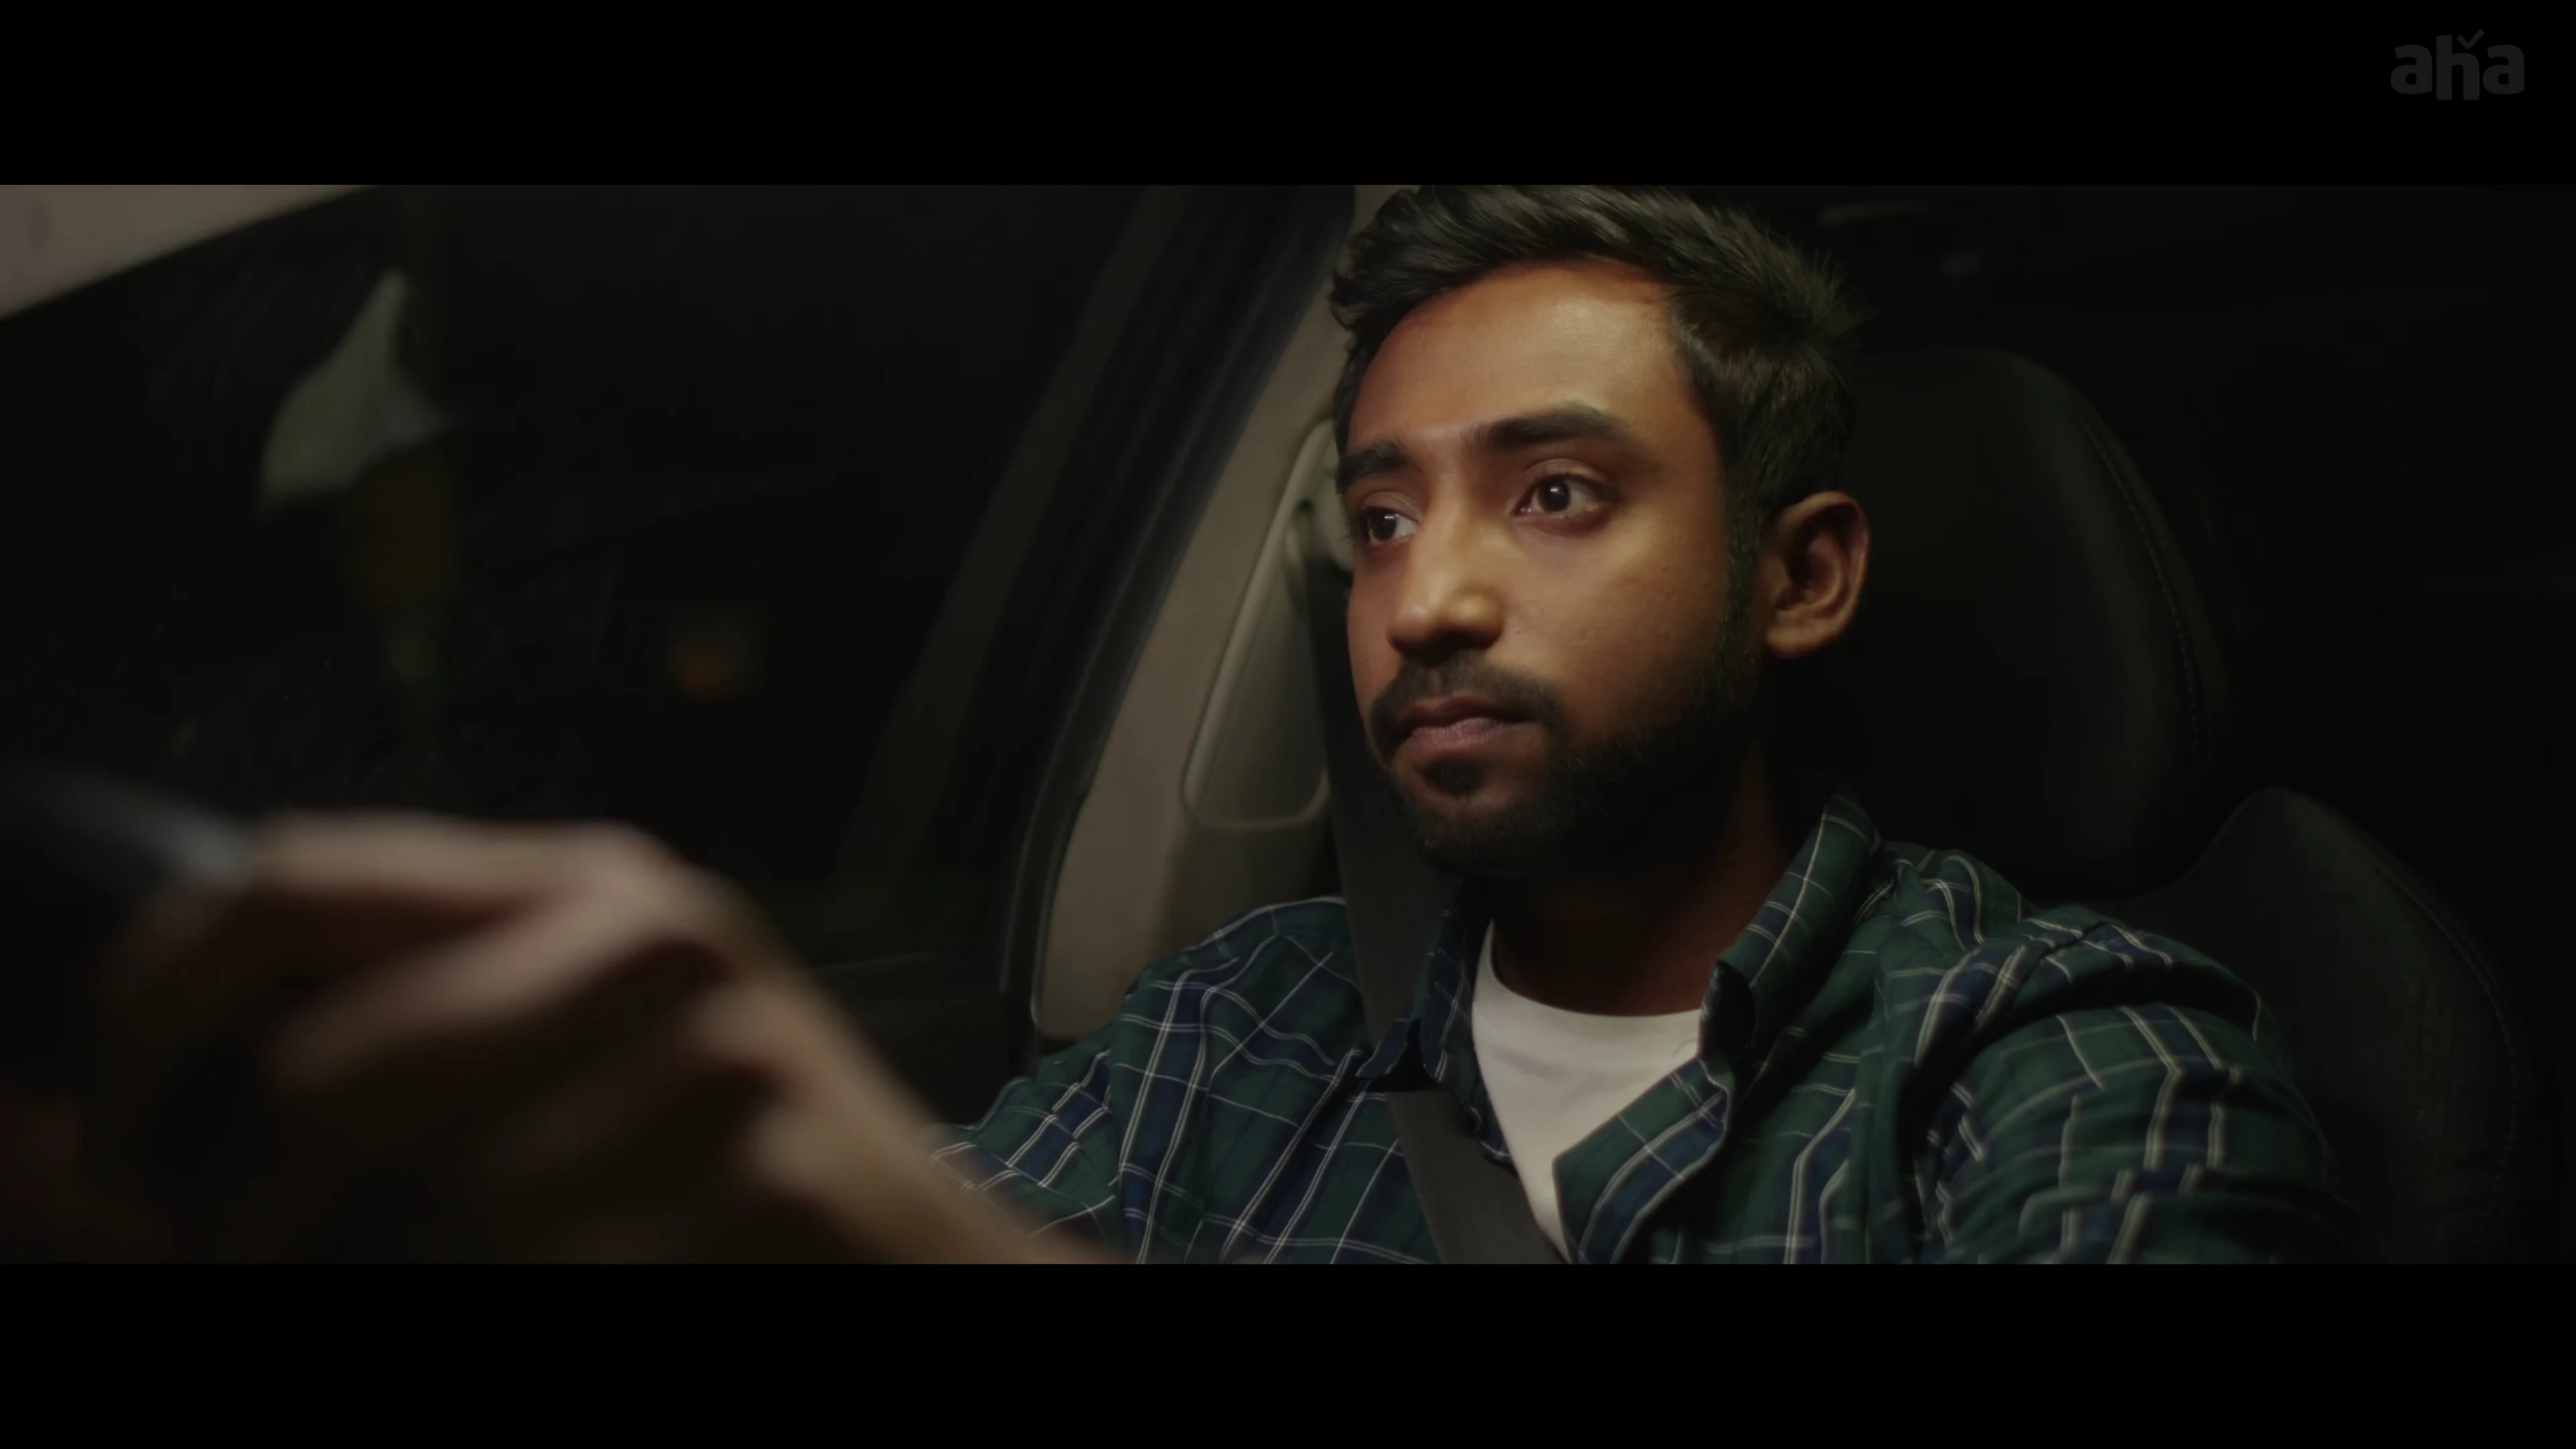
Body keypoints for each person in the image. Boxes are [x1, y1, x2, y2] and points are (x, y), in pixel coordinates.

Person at [34, 186, 2356, 1263]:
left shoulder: (2075, 1053)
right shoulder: (1246, 1021)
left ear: (1802, 572)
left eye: (1556, 495)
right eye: (1380, 514)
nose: (1426, 596)